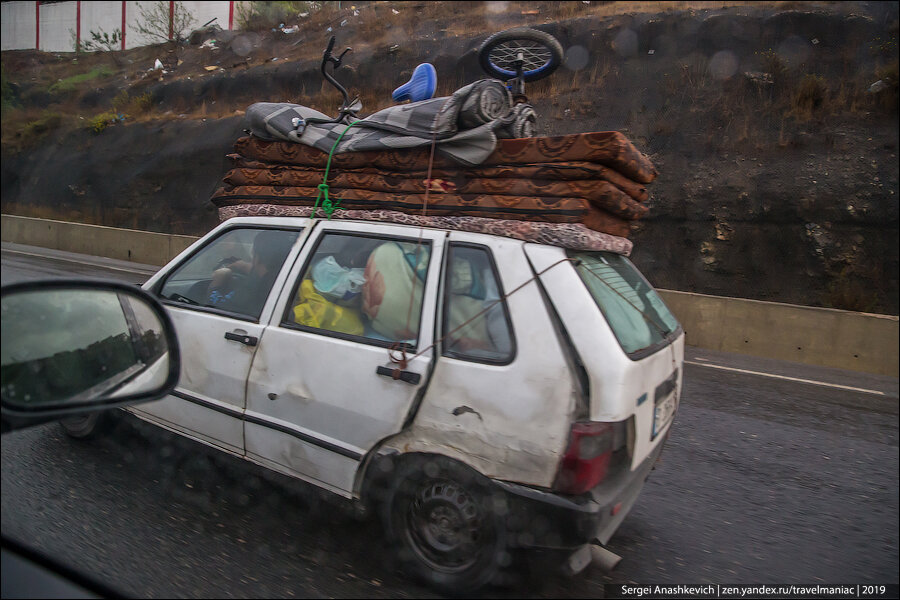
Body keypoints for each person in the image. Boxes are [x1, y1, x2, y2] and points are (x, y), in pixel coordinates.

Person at [207, 230, 296, 317]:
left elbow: (215, 306)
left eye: (253, 255)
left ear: (256, 259)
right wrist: (244, 266)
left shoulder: (252, 292)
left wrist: (216, 285)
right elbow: (267, 273)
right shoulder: (289, 280)